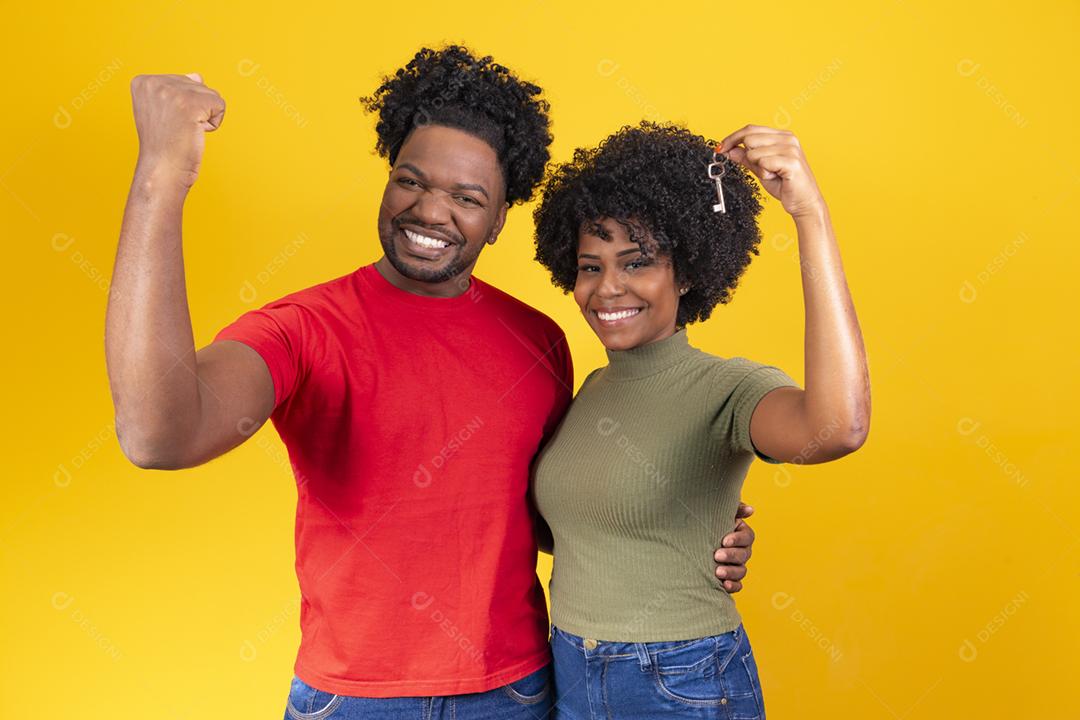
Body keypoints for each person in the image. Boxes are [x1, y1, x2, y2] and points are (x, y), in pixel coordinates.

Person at [104, 48, 759, 719]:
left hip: (520, 690)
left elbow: (546, 511)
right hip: (353, 698)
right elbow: (159, 434)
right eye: (411, 181)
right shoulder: (303, 328)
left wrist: (692, 532)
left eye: (467, 198)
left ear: (500, 219)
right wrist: (163, 175)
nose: (431, 211)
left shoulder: (538, 341)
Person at [530, 121, 870, 718]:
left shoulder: (728, 387)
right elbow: (584, 533)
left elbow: (838, 427)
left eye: (637, 262)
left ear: (685, 273)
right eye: (590, 266)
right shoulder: (591, 389)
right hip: (570, 670)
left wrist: (810, 216)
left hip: (679, 679)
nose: (608, 288)